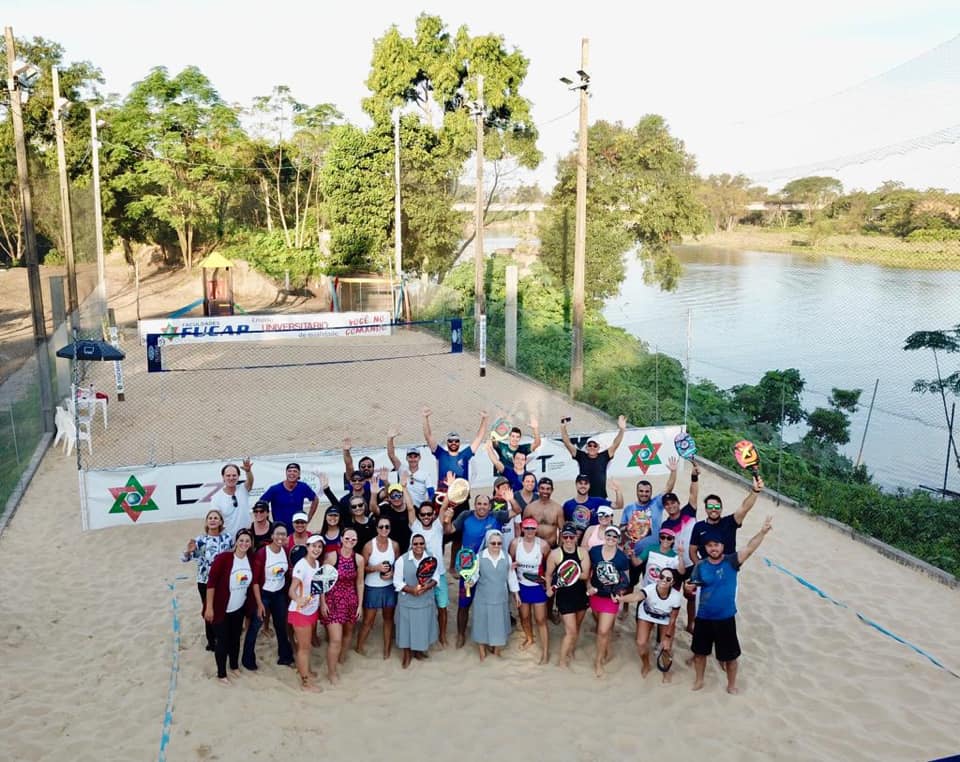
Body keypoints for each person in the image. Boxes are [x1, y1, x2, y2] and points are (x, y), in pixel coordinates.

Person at [691, 517, 774, 694]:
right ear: (705, 548)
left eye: (717, 545)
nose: (713, 548)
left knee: (730, 657)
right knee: (700, 654)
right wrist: (687, 587)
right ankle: (699, 680)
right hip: (704, 617)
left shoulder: (732, 561)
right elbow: (691, 589)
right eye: (709, 545)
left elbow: (750, 548)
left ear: (723, 546)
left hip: (725, 618)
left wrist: (763, 532)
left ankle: (731, 685)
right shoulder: (700, 566)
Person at [443, 493, 520, 648]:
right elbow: (449, 531)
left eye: (485, 504)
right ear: (475, 505)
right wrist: (447, 519)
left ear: (489, 506)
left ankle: (493, 636)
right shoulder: (466, 516)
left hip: (490, 566)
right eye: (479, 504)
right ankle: (461, 635)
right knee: (464, 604)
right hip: (469, 567)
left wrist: (510, 498)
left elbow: (517, 510)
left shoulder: (497, 516)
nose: (482, 507)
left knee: (491, 603)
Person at [204, 528, 255, 684]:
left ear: (251, 543)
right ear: (236, 542)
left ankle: (233, 666)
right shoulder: (224, 558)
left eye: (247, 541)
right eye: (241, 540)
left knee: (235, 639)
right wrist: (209, 607)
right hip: (221, 608)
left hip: (238, 608)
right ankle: (221, 674)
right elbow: (211, 584)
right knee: (223, 640)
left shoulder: (251, 560)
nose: (244, 543)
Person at [615, 567, 683, 682]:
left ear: (673, 582)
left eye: (668, 579)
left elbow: (673, 619)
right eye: (661, 577)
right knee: (641, 643)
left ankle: (666, 671)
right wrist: (621, 599)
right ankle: (646, 664)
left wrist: (667, 638)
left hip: (665, 618)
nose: (663, 580)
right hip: (646, 614)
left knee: (666, 648)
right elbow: (637, 596)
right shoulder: (651, 588)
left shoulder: (676, 597)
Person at [181, 509, 234, 652]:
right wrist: (188, 551)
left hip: (223, 581)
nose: (213, 520)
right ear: (206, 522)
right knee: (208, 610)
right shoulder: (200, 540)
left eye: (216, 518)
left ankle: (223, 636)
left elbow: (232, 556)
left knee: (222, 608)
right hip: (204, 581)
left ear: (221, 522)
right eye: (210, 518)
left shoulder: (228, 538)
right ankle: (212, 641)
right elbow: (185, 559)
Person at [243, 523, 294, 670]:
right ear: (272, 535)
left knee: (281, 626)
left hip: (279, 594)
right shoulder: (262, 553)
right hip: (264, 594)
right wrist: (259, 603)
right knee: (255, 627)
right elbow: (255, 581)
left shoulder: (285, 550)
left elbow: (287, 572)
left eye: (283, 534)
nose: (280, 537)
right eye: (277, 533)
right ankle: (247, 659)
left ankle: (285, 656)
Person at [319, 527, 365, 684]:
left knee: (348, 632)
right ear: (341, 540)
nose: (350, 542)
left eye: (353, 540)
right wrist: (323, 602)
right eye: (347, 539)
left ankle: (341, 658)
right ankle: (331, 672)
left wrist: (360, 605)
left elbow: (360, 583)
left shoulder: (358, 559)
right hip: (333, 600)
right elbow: (322, 581)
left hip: (350, 600)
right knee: (336, 639)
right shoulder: (332, 557)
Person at [546, 523, 592, 669]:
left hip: (580, 594)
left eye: (571, 536)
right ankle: (562, 661)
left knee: (576, 627)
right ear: (562, 538)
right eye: (565, 537)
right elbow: (548, 575)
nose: (568, 540)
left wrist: (569, 575)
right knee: (571, 630)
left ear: (576, 537)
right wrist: (548, 588)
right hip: (564, 597)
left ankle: (571, 650)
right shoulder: (555, 554)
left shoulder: (582, 553)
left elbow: (585, 575)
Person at [587, 524, 630, 677]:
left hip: (611, 598)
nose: (611, 538)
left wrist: (619, 592)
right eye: (609, 535)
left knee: (602, 631)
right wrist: (588, 585)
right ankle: (608, 646)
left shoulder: (622, 557)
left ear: (618, 539)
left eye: (614, 536)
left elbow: (626, 579)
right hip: (595, 594)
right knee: (601, 624)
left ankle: (598, 662)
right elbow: (588, 571)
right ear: (604, 536)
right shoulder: (594, 551)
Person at [470, 529, 520, 660]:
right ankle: (482, 652)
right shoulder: (479, 557)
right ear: (487, 543)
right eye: (493, 543)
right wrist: (470, 582)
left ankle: (496, 650)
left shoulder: (506, 556)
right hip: (483, 597)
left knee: (498, 624)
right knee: (482, 623)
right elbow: (474, 574)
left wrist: (516, 594)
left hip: (500, 597)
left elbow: (511, 577)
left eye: (499, 543)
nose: (496, 546)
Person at [689, 477, 765, 561]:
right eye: (710, 506)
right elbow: (692, 551)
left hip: (728, 568)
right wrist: (700, 568)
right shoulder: (699, 526)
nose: (713, 509)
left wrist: (755, 491)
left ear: (721, 508)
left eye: (717, 506)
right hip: (707, 570)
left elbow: (744, 508)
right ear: (706, 509)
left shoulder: (730, 522)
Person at [393, 531, 440, 667]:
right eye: (415, 544)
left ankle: (418, 652)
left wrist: (427, 586)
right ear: (411, 545)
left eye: (421, 543)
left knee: (422, 627)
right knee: (406, 628)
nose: (418, 546)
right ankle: (407, 655)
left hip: (425, 599)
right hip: (408, 600)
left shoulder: (431, 558)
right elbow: (397, 582)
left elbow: (436, 578)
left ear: (425, 545)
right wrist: (412, 590)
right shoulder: (402, 560)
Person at [356, 517, 400, 659]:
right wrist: (376, 568)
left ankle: (386, 650)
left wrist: (392, 572)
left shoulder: (394, 545)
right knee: (369, 620)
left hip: (389, 587)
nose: (384, 530)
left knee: (388, 619)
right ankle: (359, 647)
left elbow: (398, 566)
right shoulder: (369, 546)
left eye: (387, 527)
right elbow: (361, 569)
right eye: (381, 527)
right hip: (372, 587)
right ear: (376, 529)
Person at [510, 517, 552, 664]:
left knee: (541, 619)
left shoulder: (543, 545)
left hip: (537, 586)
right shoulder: (516, 543)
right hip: (521, 585)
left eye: (532, 528)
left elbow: (549, 564)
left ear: (536, 530)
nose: (529, 531)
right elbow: (510, 562)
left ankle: (546, 651)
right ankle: (529, 638)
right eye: (526, 528)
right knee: (525, 617)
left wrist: (547, 583)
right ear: (522, 529)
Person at [287, 534, 325, 692]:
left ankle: (306, 671)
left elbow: (319, 587)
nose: (316, 549)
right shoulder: (301, 566)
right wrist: (298, 599)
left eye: (319, 546)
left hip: (312, 610)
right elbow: (291, 590)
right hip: (300, 612)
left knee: (306, 646)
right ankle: (305, 683)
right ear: (307, 547)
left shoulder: (316, 563)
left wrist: (321, 604)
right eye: (313, 546)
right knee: (304, 648)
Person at [409, 499, 449, 647]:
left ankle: (442, 636)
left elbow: (445, 505)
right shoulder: (416, 526)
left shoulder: (438, 526)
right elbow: (409, 508)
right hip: (422, 576)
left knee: (442, 607)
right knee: (424, 608)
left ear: (433, 514)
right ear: (419, 515)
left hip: (440, 574)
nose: (426, 516)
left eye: (429, 514)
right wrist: (405, 487)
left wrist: (451, 488)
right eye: (423, 514)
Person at [619, 456, 679, 551]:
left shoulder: (657, 503)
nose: (644, 494)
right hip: (634, 554)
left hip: (654, 553)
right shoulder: (628, 508)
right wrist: (624, 548)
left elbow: (668, 487)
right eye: (641, 491)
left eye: (647, 491)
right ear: (637, 492)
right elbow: (622, 530)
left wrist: (673, 472)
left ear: (651, 492)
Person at [559, 415, 626, 498]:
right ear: (586, 447)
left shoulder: (604, 456)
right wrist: (563, 427)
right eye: (590, 445)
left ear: (598, 448)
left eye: (595, 445)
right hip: (585, 499)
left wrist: (622, 429)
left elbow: (616, 444)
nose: (592, 447)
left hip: (601, 498)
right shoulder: (581, 456)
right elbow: (567, 443)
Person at [422, 407, 489, 487]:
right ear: (447, 442)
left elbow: (479, 438)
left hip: (461, 495)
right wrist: (425, 418)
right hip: (443, 495)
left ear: (459, 443)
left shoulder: (465, 455)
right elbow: (428, 437)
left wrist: (485, 419)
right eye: (450, 441)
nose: (453, 443)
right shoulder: (441, 454)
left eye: (456, 441)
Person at [261, 463, 318, 533]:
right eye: (289, 471)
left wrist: (308, 518)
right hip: (280, 529)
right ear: (286, 473)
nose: (292, 473)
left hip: (297, 529)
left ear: (299, 474)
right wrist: (267, 522)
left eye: (295, 471)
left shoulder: (303, 487)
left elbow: (315, 499)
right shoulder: (275, 489)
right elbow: (261, 504)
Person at [386, 428, 431, 506]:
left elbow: (431, 491)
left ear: (419, 458)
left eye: (415, 456)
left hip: (418, 509)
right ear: (406, 458)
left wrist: (428, 505)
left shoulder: (425, 474)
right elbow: (391, 455)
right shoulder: (402, 469)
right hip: (403, 508)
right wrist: (390, 439)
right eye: (410, 456)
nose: (413, 459)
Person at [211, 459, 253, 539]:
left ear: (238, 477)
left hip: (245, 539)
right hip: (227, 540)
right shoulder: (216, 498)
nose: (231, 478)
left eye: (234, 475)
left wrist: (248, 471)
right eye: (228, 475)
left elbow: (250, 482)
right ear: (223, 477)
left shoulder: (243, 489)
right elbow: (215, 520)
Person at [371, 480, 412, 552]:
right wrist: (374, 494)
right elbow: (373, 509)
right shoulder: (385, 508)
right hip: (391, 550)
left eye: (398, 495)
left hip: (409, 549)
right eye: (393, 496)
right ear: (389, 498)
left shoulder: (411, 509)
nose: (396, 498)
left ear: (403, 495)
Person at [522, 476, 563, 548]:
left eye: (548, 489)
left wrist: (559, 548)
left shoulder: (558, 509)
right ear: (538, 489)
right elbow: (523, 528)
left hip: (552, 547)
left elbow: (562, 530)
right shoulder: (530, 508)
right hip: (534, 547)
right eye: (542, 488)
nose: (545, 491)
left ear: (552, 490)